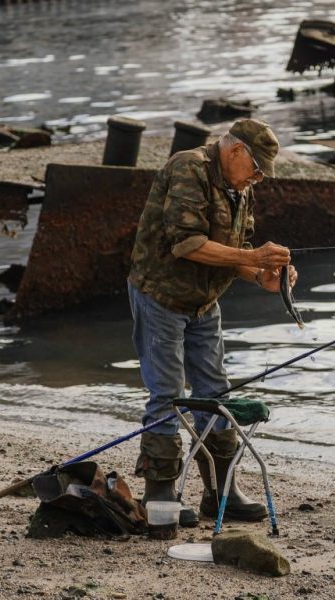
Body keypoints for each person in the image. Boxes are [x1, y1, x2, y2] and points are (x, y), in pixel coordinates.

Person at [127, 118, 297, 525]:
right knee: (167, 393)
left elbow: (236, 252)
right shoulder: (189, 167)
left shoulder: (241, 187)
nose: (258, 178)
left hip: (204, 302)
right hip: (161, 297)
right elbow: (186, 244)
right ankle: (159, 492)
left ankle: (221, 492)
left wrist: (262, 277)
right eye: (256, 169)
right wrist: (252, 258)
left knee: (217, 393)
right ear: (236, 151)